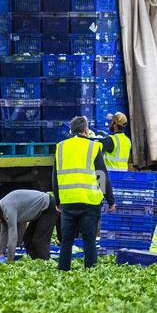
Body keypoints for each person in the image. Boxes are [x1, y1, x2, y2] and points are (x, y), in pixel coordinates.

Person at [54, 115, 115, 271]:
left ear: (71, 130)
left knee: (66, 240)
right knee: (89, 240)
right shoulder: (93, 147)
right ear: (86, 129)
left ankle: (63, 270)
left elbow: (55, 176)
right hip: (89, 202)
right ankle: (90, 271)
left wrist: (57, 201)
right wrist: (111, 200)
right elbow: (101, 176)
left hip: (68, 201)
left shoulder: (60, 147)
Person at [0, 190, 59, 262]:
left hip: (48, 206)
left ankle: (45, 264)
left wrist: (10, 261)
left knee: (39, 240)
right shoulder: (0, 211)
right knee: (27, 239)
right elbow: (3, 234)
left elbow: (13, 237)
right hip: (39, 211)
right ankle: (36, 262)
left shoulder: (8, 209)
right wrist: (1, 254)